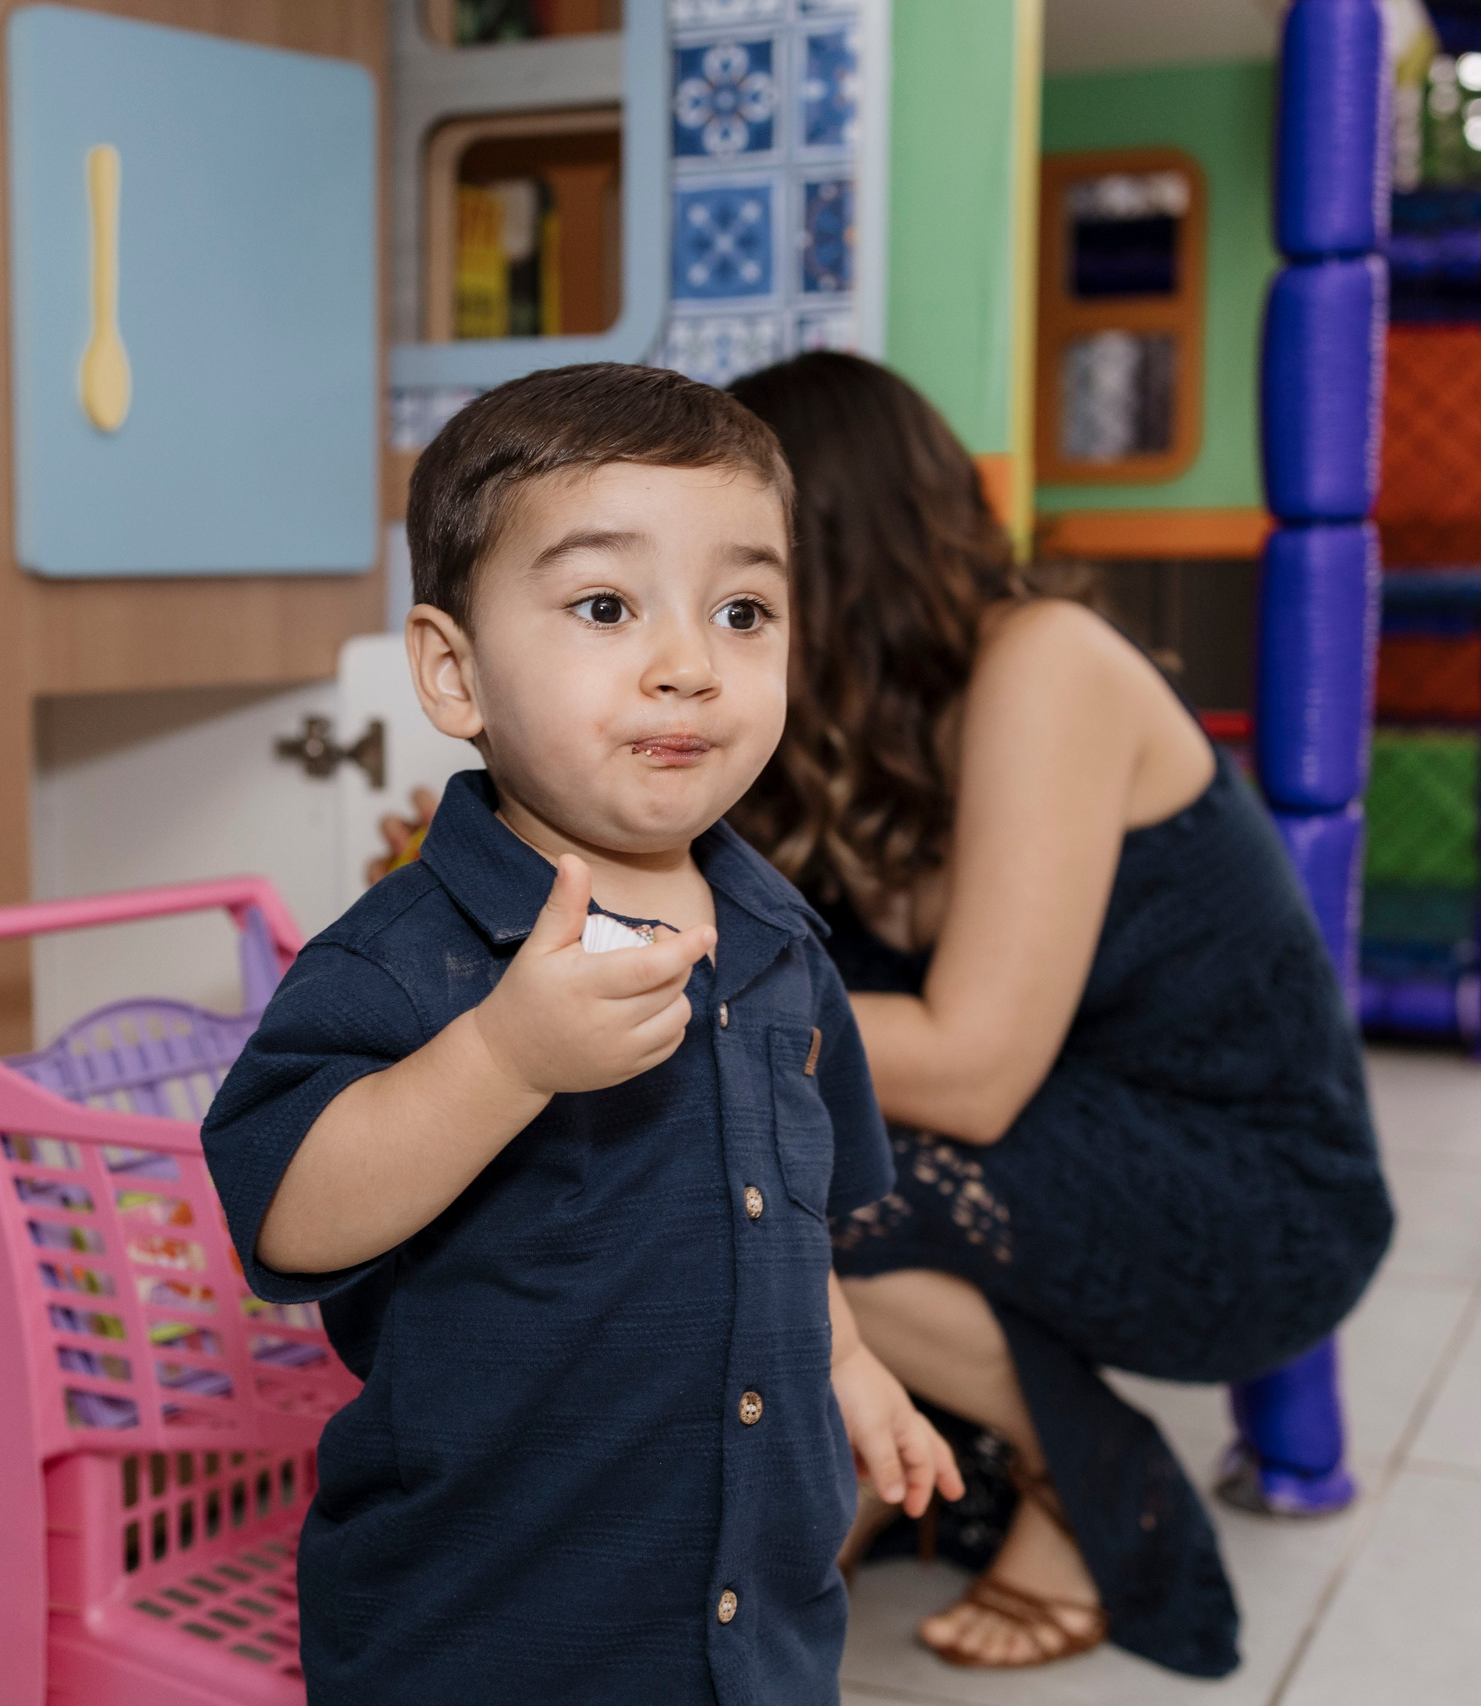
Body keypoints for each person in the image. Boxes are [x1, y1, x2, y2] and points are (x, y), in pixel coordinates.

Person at [202, 363, 963, 1706]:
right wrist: (503, 1059)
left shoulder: (781, 943)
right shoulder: (401, 959)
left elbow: (784, 1226)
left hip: (754, 1631)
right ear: (453, 670)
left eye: (744, 610)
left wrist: (850, 1363)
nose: (688, 663)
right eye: (606, 606)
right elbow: (288, 1220)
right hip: (486, 1629)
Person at [725, 352, 1395, 1677]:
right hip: (1068, 1149)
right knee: (742, 1150)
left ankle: (1082, 1475)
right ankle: (882, 1464)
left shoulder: (1047, 663)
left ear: (831, 543)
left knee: (783, 1165)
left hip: (1256, 1191)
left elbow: (971, 1070)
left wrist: (693, 1020)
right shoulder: (838, 726)